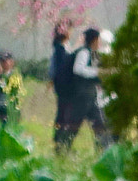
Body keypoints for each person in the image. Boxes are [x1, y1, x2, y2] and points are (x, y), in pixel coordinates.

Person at [55, 25, 114, 154]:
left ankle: (105, 150)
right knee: (73, 125)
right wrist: (99, 72)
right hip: (81, 96)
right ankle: (61, 149)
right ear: (94, 40)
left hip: (90, 96)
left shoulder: (94, 54)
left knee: (99, 123)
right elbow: (79, 69)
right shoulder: (84, 52)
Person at [48, 23, 75, 148]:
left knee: (64, 113)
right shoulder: (60, 49)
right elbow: (61, 69)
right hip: (64, 87)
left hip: (64, 87)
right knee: (64, 114)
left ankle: (60, 139)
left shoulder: (63, 47)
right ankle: (60, 140)